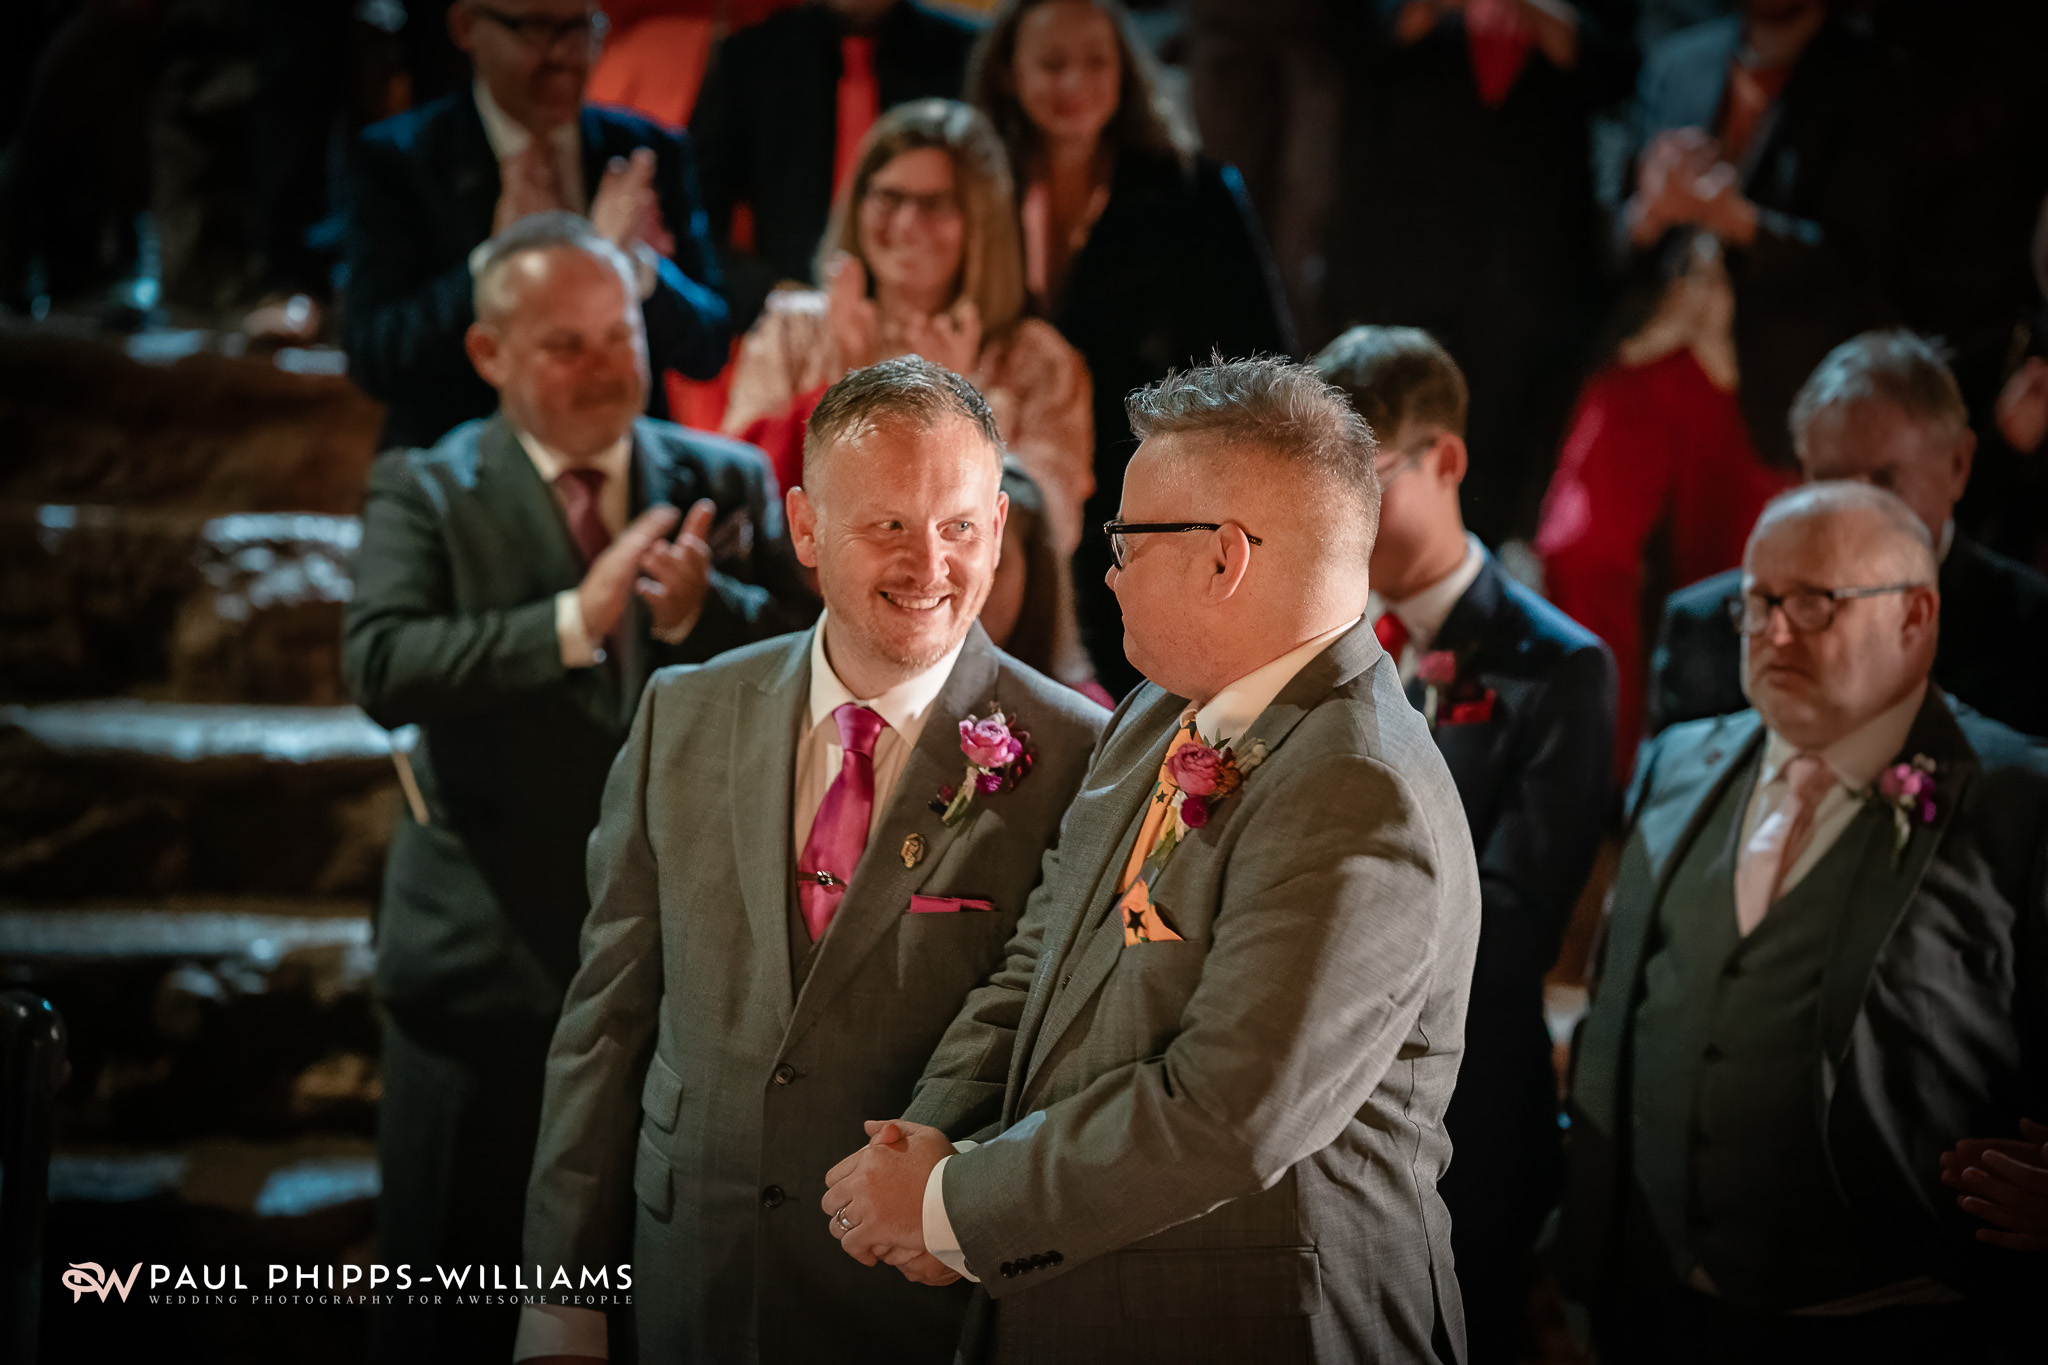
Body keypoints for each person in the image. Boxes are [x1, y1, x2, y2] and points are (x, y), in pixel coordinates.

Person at [818, 357, 1480, 1362]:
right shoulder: (1154, 716)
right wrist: (923, 1144)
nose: (1108, 567)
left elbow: (1223, 1116)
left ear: (1224, 558)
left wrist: (953, 1206)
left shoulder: (1357, 788)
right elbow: (1038, 966)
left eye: (1128, 538)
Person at [513, 356, 1107, 1364]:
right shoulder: (683, 715)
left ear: (999, 531)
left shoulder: (1074, 754)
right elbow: (606, 1019)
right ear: (803, 528)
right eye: (886, 525)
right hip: (686, 1270)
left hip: (906, 1307)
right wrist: (560, 1292)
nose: (929, 565)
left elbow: (1060, 1057)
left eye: (960, 526)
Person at [342, 213, 814, 1365]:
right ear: (489, 356)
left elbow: (814, 670)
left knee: (625, 1295)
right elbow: (381, 666)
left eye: (621, 335)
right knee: (449, 1291)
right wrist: (573, 621)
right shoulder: (427, 485)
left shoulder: (725, 475)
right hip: (483, 956)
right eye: (566, 345)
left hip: (671, 968)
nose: (608, 365)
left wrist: (713, 615)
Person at [1561, 482, 2048, 1362]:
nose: (1775, 632)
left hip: (1899, 1320)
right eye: (1760, 601)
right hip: (1659, 1310)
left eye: (1816, 603)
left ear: (1916, 615)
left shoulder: (2023, 800)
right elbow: (1619, 1013)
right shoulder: (1678, 762)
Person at [1315, 326, 1617, 1364]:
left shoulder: (1555, 667)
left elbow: (1514, 916)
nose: (1337, 513)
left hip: (1464, 1113)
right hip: (1304, 1103)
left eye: (1364, 477)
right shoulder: (1311, 637)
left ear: (1443, 460)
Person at [967, 0, 1294, 696]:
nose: (1074, 82)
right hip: (1006, 490)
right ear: (1009, 73)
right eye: (1052, 64)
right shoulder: (975, 186)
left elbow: (1264, 361)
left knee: (1137, 696)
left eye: (1096, 62)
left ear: (1125, 72)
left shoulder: (1193, 192)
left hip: (1144, 489)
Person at [344, 0, 730, 449]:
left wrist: (634, 267)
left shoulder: (649, 147)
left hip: (624, 465)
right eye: (537, 29)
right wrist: (494, 259)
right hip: (457, 475)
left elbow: (710, 347)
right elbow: (376, 359)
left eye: (581, 27)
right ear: (466, 27)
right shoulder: (397, 158)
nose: (565, 54)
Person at [721, 99, 1095, 558]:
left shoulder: (1036, 358)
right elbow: (739, 491)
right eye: (889, 197)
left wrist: (957, 411)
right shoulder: (794, 328)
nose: (905, 223)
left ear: (983, 221)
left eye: (935, 204)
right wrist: (841, 392)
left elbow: (1050, 533)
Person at [1337, 0, 1637, 546]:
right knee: (1401, 414)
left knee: (1510, 434)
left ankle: (1483, 572)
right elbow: (1354, 46)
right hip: (1417, 234)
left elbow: (1616, 69)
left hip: (1534, 243)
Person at [1649, 331, 2048, 740]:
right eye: (1833, 482)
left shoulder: (2032, 635)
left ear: (1959, 465)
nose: (1859, 511)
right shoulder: (1710, 634)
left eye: (1885, 480)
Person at [1536, 236, 1796, 781]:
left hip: (1770, 366)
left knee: (1739, 581)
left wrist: (1751, 228)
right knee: (1578, 547)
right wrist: (1646, 213)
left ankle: (1710, 777)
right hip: (1644, 332)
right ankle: (1599, 770)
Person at [1618, 0, 1892, 472]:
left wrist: (1736, 220)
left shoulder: (1872, 84)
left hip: (1772, 387)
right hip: (1646, 348)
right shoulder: (1680, 61)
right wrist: (1648, 210)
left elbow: (1862, 272)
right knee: (1577, 536)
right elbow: (1608, 230)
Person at [689, 0, 981, 330]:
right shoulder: (751, 57)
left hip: (943, 318)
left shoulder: (971, 54)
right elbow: (692, 215)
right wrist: (767, 293)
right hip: (796, 317)